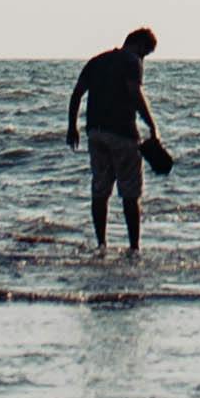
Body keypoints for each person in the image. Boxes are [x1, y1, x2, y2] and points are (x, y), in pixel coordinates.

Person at [67, 27, 165, 253]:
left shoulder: (97, 61)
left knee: (100, 191)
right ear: (139, 45)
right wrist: (152, 125)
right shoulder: (131, 62)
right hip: (123, 134)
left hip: (96, 133)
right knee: (130, 194)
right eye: (146, 53)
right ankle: (134, 248)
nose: (144, 59)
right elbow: (135, 94)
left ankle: (101, 244)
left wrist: (72, 127)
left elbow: (76, 94)